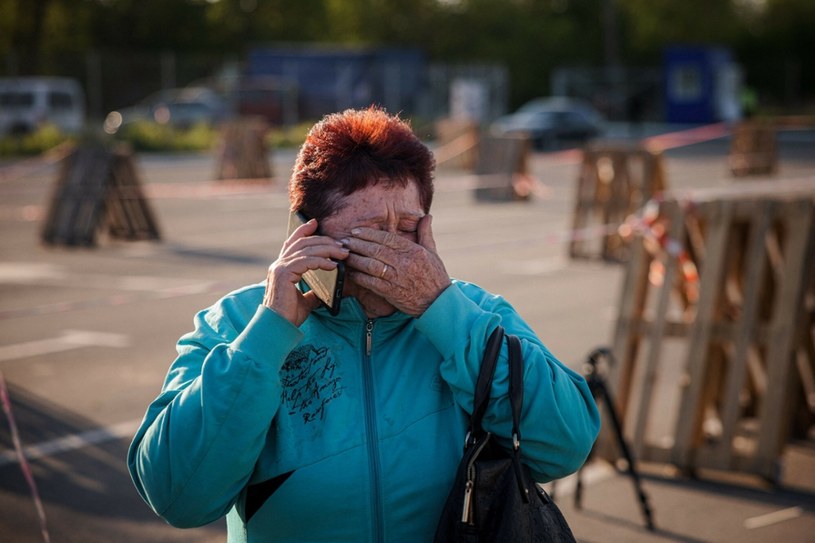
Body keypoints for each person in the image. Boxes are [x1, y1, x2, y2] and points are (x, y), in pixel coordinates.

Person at [128, 107, 600, 542]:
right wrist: (269, 333)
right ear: (304, 230)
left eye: (407, 229)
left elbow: (565, 445)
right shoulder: (236, 323)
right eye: (369, 232)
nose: (391, 251)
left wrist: (444, 313)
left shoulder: (472, 311)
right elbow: (177, 496)